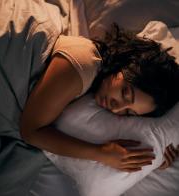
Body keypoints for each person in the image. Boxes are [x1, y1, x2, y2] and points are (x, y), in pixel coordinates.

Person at [19, 23, 179, 173]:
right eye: (125, 93)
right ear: (125, 64)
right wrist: (100, 153)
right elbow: (30, 132)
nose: (116, 108)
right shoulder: (83, 63)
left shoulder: (94, 82)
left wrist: (156, 158)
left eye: (128, 112)